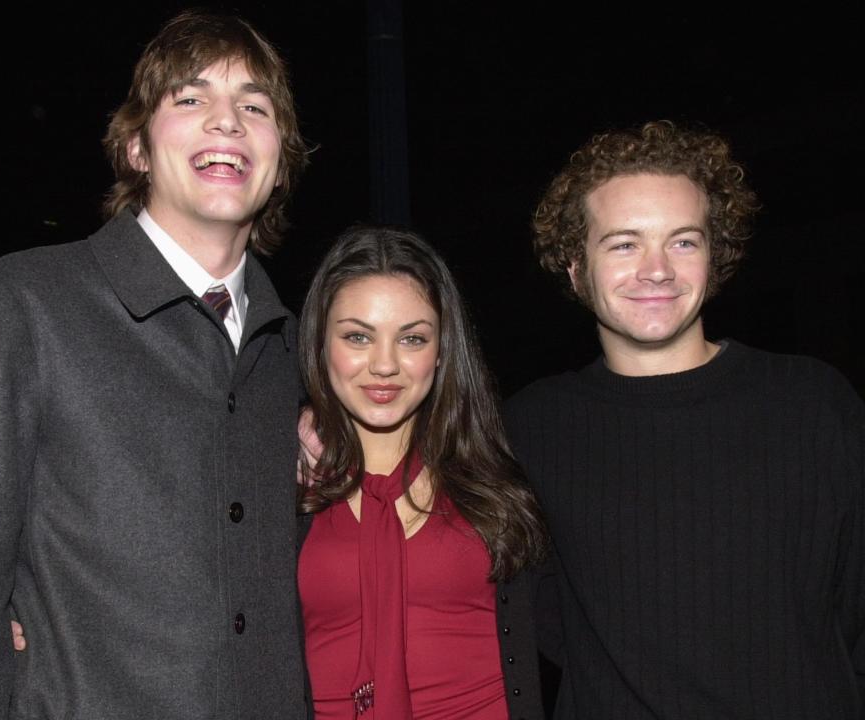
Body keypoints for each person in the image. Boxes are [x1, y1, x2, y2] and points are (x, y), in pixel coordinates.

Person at [0, 10, 310, 719]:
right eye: (190, 99)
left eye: (255, 105)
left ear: (280, 162)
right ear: (136, 149)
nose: (227, 121)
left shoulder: (297, 352)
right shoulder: (20, 306)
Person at [506, 120, 865, 718]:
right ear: (575, 267)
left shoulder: (814, 402)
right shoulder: (530, 427)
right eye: (623, 243)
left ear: (714, 256)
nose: (657, 269)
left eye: (683, 241)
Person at [296, 226, 549, 719]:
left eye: (412, 338)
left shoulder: (504, 469)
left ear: (442, 350)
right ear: (320, 343)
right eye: (357, 336)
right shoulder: (276, 485)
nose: (385, 365)